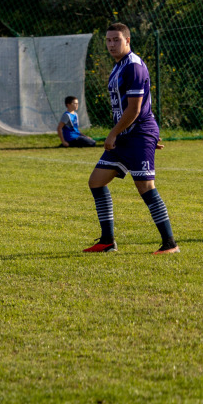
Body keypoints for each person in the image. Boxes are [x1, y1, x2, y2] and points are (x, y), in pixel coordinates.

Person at [84, 23, 178, 254]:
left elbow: (135, 109)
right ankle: (107, 241)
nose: (111, 44)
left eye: (116, 39)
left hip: (135, 135)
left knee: (145, 187)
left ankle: (170, 244)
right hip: (128, 135)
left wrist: (115, 133)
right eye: (108, 40)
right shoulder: (119, 67)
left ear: (127, 41)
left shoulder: (133, 67)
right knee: (96, 181)